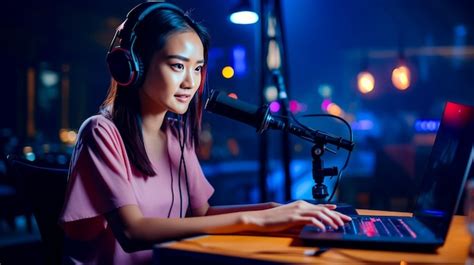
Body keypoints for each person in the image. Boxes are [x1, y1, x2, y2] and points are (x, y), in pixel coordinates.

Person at [59, 2, 351, 264]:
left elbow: (201, 214)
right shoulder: (101, 132)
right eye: (177, 66)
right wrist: (258, 219)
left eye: (197, 68)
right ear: (133, 66)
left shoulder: (176, 135)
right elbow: (133, 231)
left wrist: (280, 210)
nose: (191, 82)